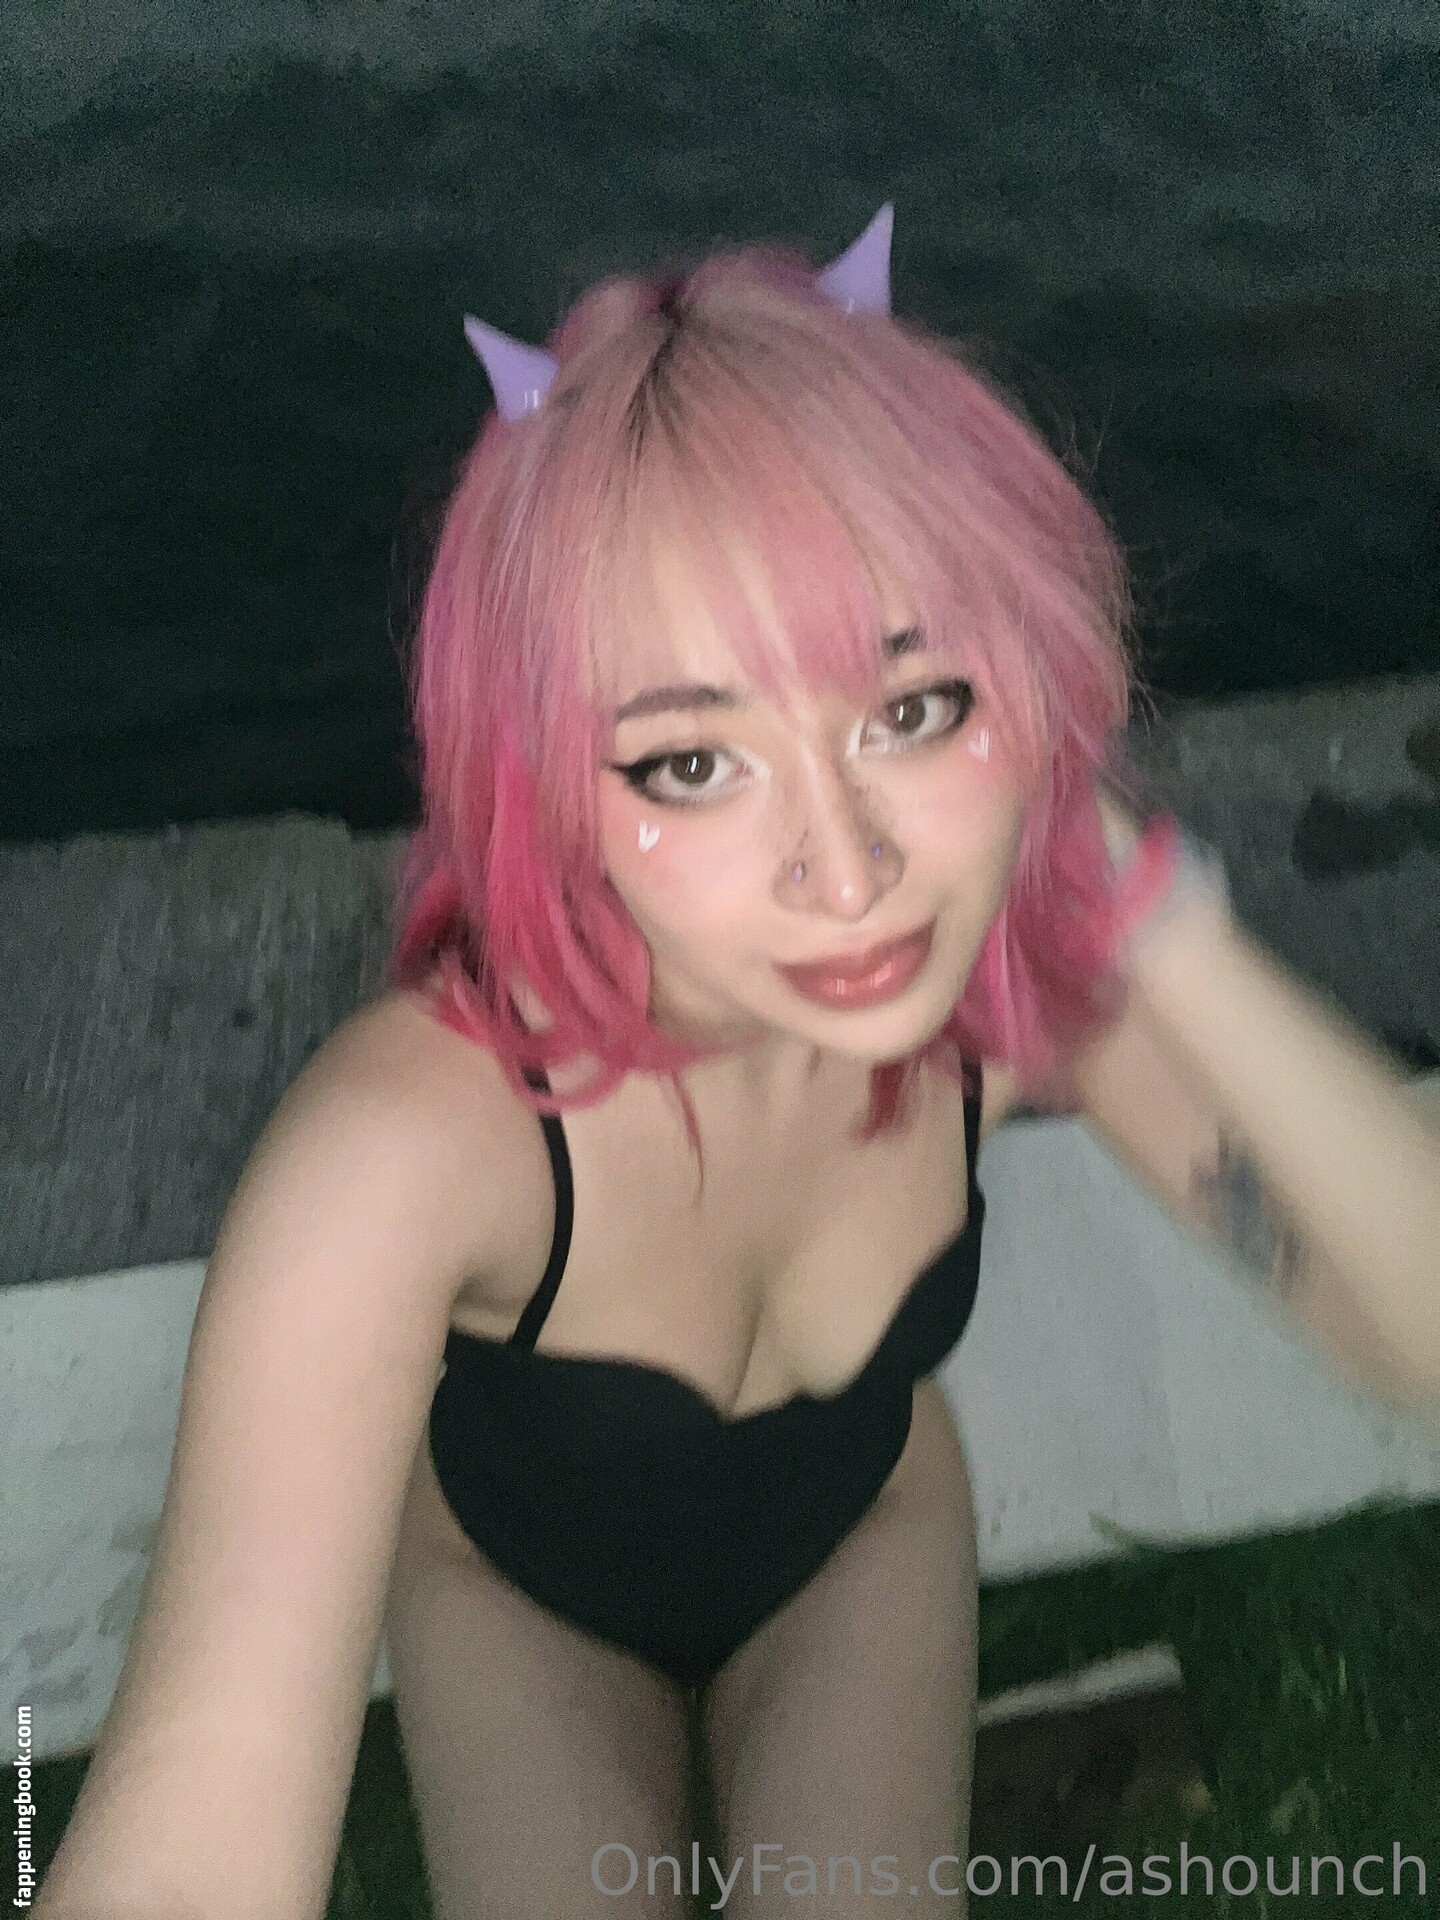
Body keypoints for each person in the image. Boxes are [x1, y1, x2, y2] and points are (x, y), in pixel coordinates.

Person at [35, 207, 1226, 1918]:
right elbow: (197, 1838)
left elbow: (1313, 1225)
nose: (850, 873)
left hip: (862, 1540)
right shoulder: (407, 1152)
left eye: (908, 711)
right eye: (689, 762)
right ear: (542, 787)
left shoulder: (992, 978)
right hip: (520, 1602)